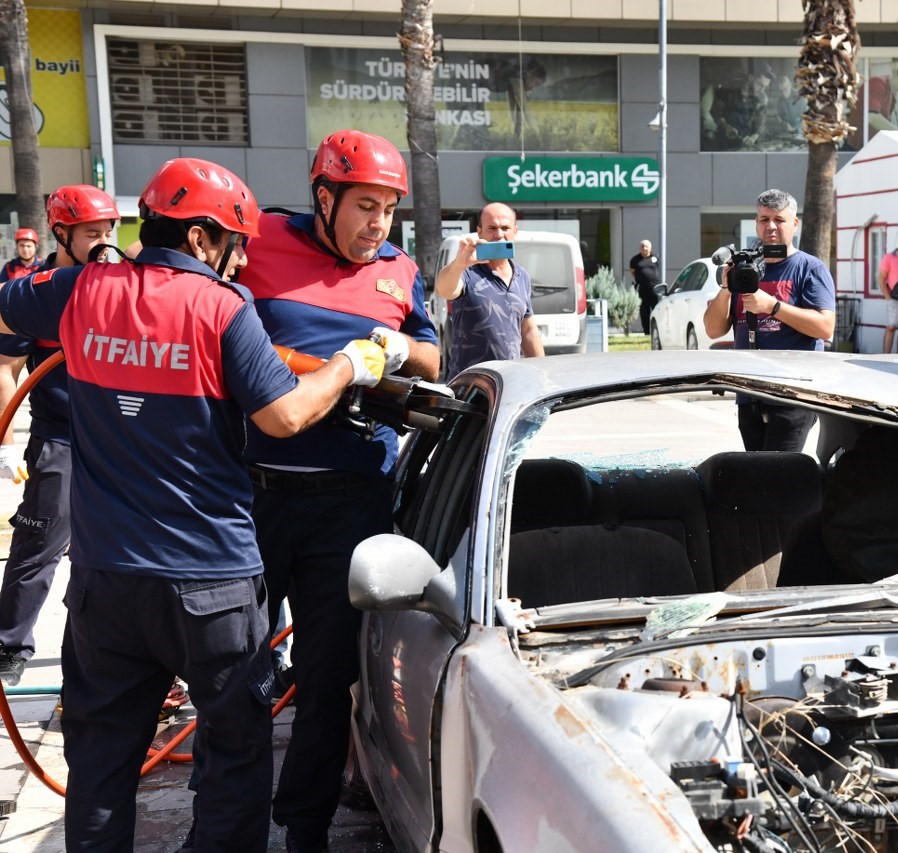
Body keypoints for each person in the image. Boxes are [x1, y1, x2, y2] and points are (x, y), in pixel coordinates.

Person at [0, 157, 390, 851]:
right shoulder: (222, 309)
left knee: (102, 763)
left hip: (106, 584)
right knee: (237, 754)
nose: (240, 264)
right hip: (209, 585)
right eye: (235, 246)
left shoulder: (79, 290)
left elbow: (11, 299)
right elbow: (284, 417)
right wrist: (350, 366)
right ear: (205, 238)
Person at [235, 128, 440, 853]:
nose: (377, 224)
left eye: (387, 209)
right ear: (323, 197)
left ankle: (303, 828)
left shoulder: (398, 269)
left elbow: (431, 351)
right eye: (364, 206)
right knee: (236, 670)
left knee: (325, 678)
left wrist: (395, 350)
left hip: (350, 501)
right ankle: (228, 817)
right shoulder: (256, 242)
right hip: (252, 496)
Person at [0, 186, 118, 688]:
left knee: (118, 555)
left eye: (109, 232)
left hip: (119, 442)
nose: (104, 243)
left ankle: (114, 653)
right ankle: (9, 647)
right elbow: (6, 367)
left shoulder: (118, 284)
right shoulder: (36, 293)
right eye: (92, 233)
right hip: (61, 437)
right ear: (61, 233)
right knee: (40, 542)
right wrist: (5, 445)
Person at [703, 188, 835, 451]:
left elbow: (825, 327)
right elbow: (713, 330)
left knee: (780, 475)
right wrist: (727, 288)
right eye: (764, 219)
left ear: (794, 224)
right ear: (756, 223)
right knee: (757, 474)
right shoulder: (743, 267)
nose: (771, 226)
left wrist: (773, 306)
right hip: (749, 394)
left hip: (794, 394)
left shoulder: (810, 268)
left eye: (779, 219)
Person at [437, 202, 544, 380]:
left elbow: (528, 330)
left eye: (505, 228)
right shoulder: (467, 272)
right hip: (469, 388)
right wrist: (458, 264)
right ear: (480, 232)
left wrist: (543, 376)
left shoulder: (522, 276)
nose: (499, 234)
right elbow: (444, 290)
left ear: (515, 232)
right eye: (492, 228)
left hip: (509, 384)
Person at [629, 239, 662, 335]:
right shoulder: (635, 259)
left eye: (646, 246)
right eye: (642, 246)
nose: (644, 248)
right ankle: (647, 332)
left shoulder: (655, 258)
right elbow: (632, 272)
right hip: (642, 289)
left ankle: (657, 331)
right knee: (644, 311)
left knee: (656, 310)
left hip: (655, 289)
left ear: (650, 248)